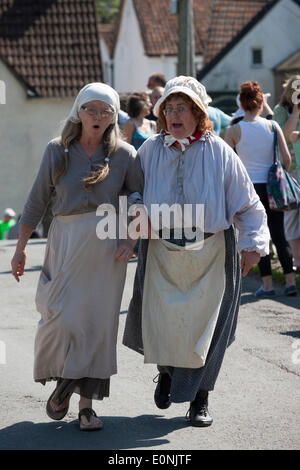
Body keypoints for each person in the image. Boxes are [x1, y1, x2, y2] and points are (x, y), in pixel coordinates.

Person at [123, 76, 269, 428]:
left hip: (212, 250)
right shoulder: (150, 150)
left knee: (207, 329)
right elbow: (133, 191)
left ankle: (200, 399)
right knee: (164, 323)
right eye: (169, 108)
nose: (174, 115)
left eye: (183, 108)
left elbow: (248, 204)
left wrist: (253, 245)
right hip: (161, 249)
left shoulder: (218, 151)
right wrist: (137, 210)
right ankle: (168, 373)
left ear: (199, 113)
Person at [11, 82, 142, 431]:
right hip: (65, 242)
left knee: (98, 327)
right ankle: (66, 380)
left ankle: (86, 407)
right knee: (61, 318)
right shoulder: (58, 151)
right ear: (78, 112)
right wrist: (20, 249)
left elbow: (138, 202)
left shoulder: (125, 155)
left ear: (114, 116)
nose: (97, 116)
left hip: (106, 248)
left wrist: (130, 241)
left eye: (105, 111)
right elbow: (36, 201)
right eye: (91, 109)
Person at [225, 81, 296, 296]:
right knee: (279, 235)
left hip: (249, 189)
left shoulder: (234, 129)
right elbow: (286, 160)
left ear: (242, 102)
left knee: (259, 235)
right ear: (260, 102)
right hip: (272, 186)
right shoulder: (272, 127)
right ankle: (290, 281)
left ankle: (267, 286)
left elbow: (227, 163)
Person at [273, 75, 300, 273]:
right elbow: (285, 135)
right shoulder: (281, 111)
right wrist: (296, 112)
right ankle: (297, 261)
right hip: (290, 171)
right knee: (291, 216)